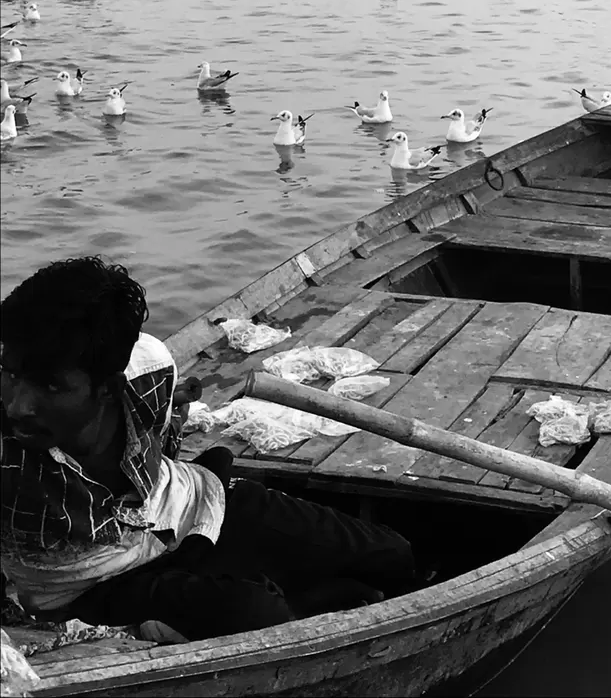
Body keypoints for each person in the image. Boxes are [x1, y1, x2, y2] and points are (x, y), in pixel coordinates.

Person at [1, 258, 414, 642]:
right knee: (257, 614)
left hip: (187, 507)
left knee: (392, 555)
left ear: (109, 386)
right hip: (90, 584)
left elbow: (161, 437)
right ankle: (267, 608)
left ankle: (294, 598)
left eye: (51, 387)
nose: (18, 405)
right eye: (10, 374)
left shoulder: (151, 370)